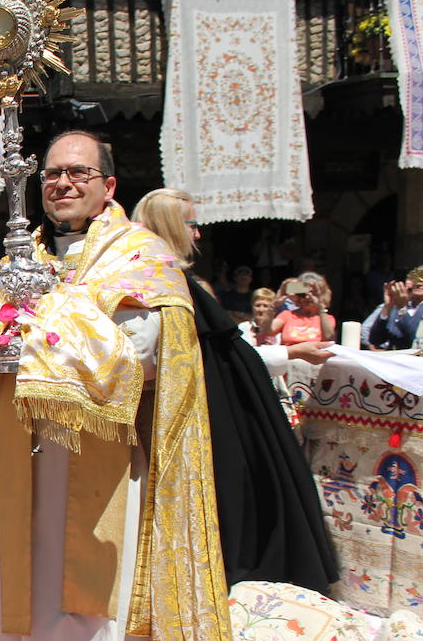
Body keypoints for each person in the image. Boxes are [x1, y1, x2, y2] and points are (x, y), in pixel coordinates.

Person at [0, 131, 238, 641]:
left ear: (109, 184)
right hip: (25, 468)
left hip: (107, 473)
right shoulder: (23, 259)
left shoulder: (144, 257)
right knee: (27, 602)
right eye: (52, 174)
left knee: (93, 616)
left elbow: (145, 351)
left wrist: (43, 321)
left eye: (78, 172)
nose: (63, 183)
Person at [133, 188, 338, 593]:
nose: (198, 235)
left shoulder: (182, 282)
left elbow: (228, 356)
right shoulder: (164, 286)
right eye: (192, 225)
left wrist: (292, 351)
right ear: (174, 227)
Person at [366, 273, 423, 350]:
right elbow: (376, 339)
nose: (419, 283)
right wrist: (387, 306)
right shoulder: (396, 304)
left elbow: (414, 339)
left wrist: (402, 308)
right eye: (416, 279)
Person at [265, 278, 333, 344]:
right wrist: (274, 305)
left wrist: (321, 307)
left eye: (313, 293)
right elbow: (267, 331)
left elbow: (328, 336)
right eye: (304, 294)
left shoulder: (326, 318)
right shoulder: (287, 315)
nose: (307, 297)